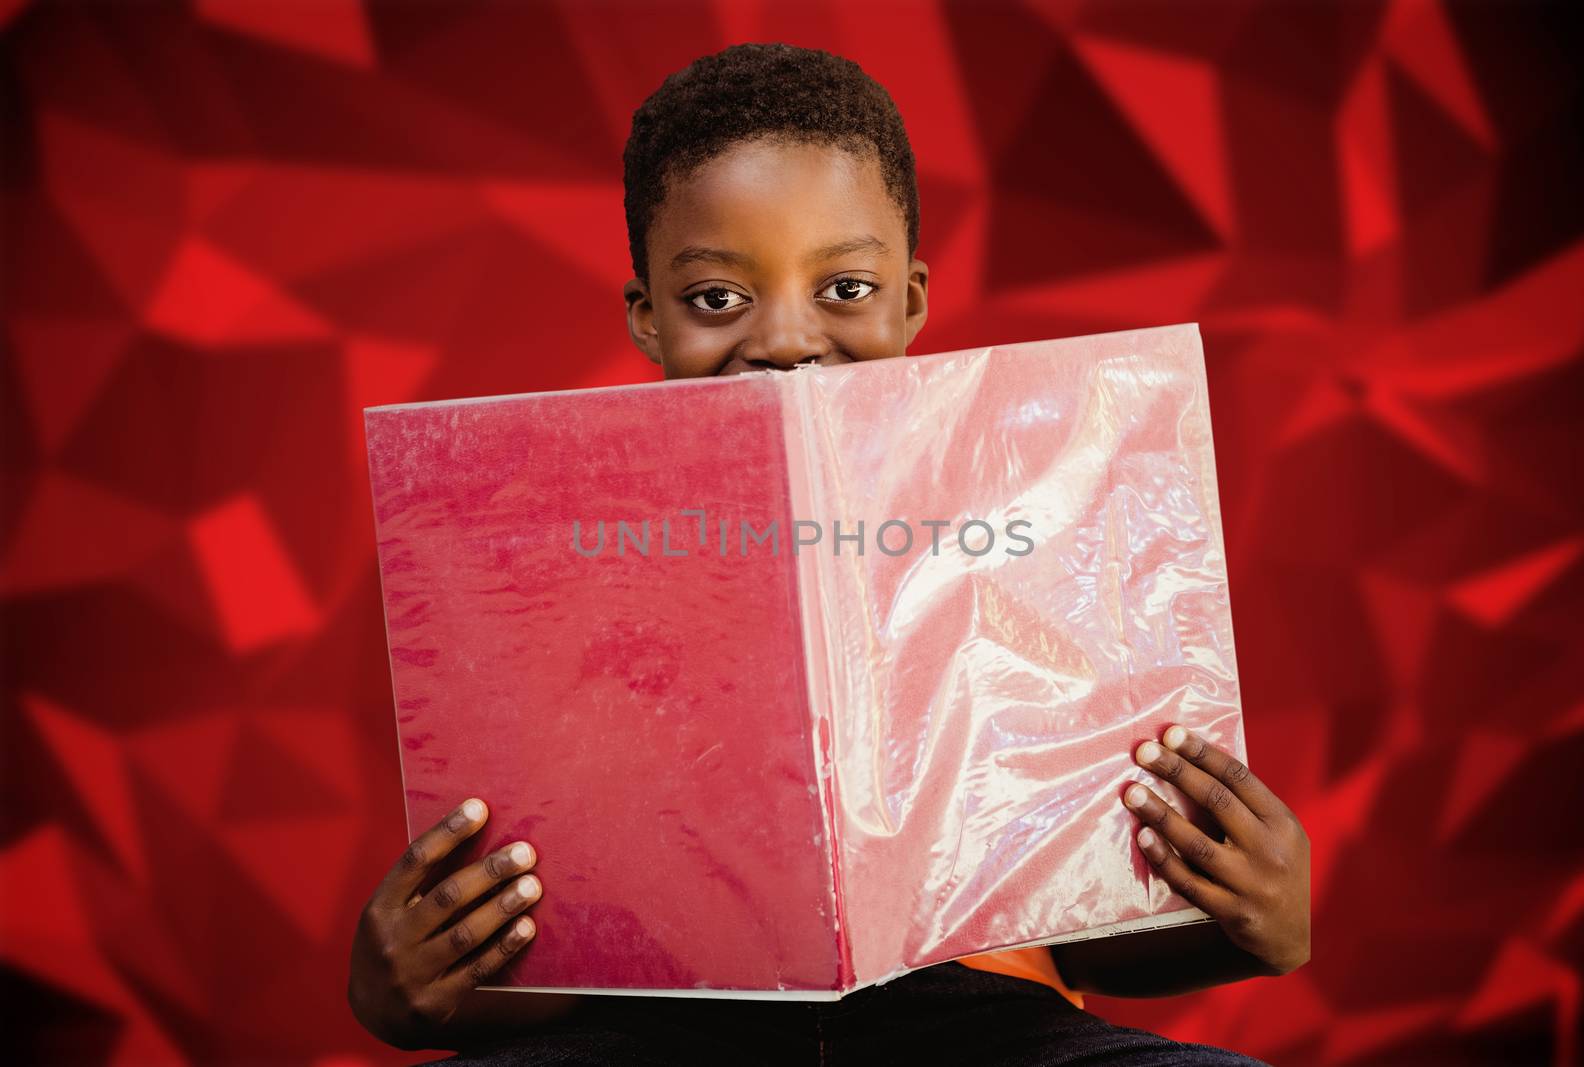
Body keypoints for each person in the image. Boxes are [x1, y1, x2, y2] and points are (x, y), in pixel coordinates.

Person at [347, 43, 1310, 1065]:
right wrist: (397, 989)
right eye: (718, 297)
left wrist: (1255, 923)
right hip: (655, 1033)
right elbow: (541, 951)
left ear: (912, 297)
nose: (789, 339)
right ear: (647, 317)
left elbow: (1083, 927)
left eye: (844, 285)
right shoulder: (536, 552)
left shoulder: (1049, 509)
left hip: (981, 1023)